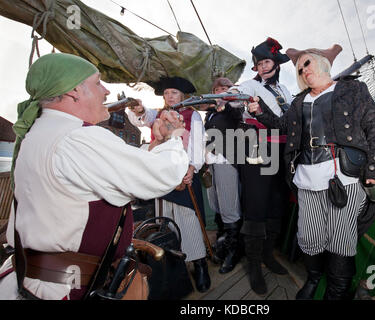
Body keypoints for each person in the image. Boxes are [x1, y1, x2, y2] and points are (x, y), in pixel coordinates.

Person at [0, 53, 188, 300]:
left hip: (32, 278)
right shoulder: (77, 138)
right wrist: (174, 138)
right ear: (74, 91)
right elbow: (162, 174)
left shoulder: (38, 133)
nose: (107, 91)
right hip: (65, 290)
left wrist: (158, 143)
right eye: (98, 82)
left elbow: (117, 169)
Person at [248, 44, 375, 300]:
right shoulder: (299, 101)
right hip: (306, 179)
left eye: (307, 63)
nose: (303, 70)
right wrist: (260, 112)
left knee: (340, 241)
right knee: (309, 238)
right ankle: (314, 278)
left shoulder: (352, 89)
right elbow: (282, 125)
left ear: (322, 63)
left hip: (344, 177)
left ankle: (335, 292)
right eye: (299, 67)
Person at [127, 77, 211, 293]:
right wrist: (138, 110)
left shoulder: (192, 116)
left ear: (182, 95)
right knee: (166, 218)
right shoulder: (157, 113)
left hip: (183, 172)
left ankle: (199, 263)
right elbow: (142, 118)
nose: (170, 96)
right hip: (162, 172)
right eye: (166, 93)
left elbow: (197, 144)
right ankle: (175, 263)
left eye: (174, 92)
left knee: (189, 218)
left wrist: (192, 169)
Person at [230, 37, 293, 295]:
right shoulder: (247, 85)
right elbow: (235, 98)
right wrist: (232, 96)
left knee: (276, 205)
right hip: (256, 149)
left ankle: (268, 255)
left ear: (275, 64)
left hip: (282, 151)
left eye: (266, 61)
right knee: (255, 206)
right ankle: (254, 265)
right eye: (258, 63)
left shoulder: (286, 90)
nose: (263, 67)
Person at [204, 77, 243, 274]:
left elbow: (237, 109)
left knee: (229, 206)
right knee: (217, 204)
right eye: (217, 89)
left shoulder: (234, 108)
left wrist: (229, 98)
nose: (220, 91)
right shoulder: (210, 114)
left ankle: (233, 251)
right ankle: (223, 242)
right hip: (212, 161)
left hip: (227, 159)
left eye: (224, 88)